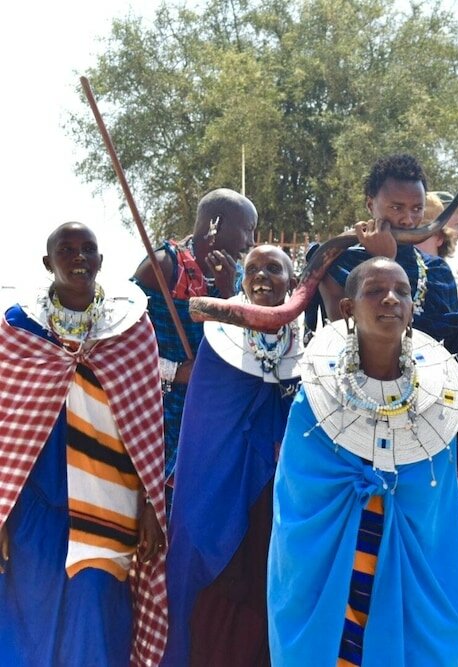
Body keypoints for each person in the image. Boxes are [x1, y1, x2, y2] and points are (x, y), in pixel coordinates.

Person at [268, 257, 458, 666]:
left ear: (412, 309)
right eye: (375, 291)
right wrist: (361, 485)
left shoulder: (439, 404)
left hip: (408, 578)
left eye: (401, 291)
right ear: (348, 308)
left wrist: (391, 490)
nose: (390, 299)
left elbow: (437, 506)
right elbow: (299, 492)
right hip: (333, 571)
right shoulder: (315, 399)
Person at [0, 222, 167, 665]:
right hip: (34, 506)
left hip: (110, 506)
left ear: (100, 260)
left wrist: (150, 505)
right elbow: (5, 424)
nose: (78, 257)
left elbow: (148, 424)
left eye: (87, 249)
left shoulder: (131, 330)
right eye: (67, 249)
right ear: (46, 261)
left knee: (96, 622)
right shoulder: (19, 328)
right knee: (29, 618)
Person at [163, 245, 302, 666]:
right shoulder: (218, 339)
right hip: (216, 487)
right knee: (212, 581)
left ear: (292, 283)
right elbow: (207, 425)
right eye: (254, 268)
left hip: (271, 492)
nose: (262, 276)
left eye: (274, 269)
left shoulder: (302, 345)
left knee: (267, 582)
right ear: (243, 280)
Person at [133, 188, 258, 496]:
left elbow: (246, 346)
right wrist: (175, 372)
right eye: (247, 230)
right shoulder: (162, 267)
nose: (251, 242)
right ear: (216, 222)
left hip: (209, 410)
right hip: (159, 411)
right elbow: (126, 346)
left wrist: (229, 295)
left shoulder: (237, 275)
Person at [317, 154, 458, 361]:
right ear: (370, 205)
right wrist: (385, 261)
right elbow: (348, 339)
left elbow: (456, 356)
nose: (408, 220)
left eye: (417, 209)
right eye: (396, 208)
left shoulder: (437, 271)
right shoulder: (338, 264)